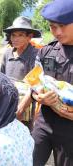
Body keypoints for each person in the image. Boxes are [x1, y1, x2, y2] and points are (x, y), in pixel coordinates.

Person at [28, 1, 73, 165]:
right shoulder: (47, 51)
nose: (58, 32)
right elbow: (35, 82)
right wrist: (38, 95)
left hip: (70, 130)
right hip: (44, 123)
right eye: (53, 27)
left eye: (62, 26)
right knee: (30, 161)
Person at [0, 16, 41, 81]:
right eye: (13, 35)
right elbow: (1, 77)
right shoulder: (7, 53)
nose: (15, 39)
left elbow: (36, 83)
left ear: (29, 37)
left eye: (20, 35)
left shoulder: (36, 55)